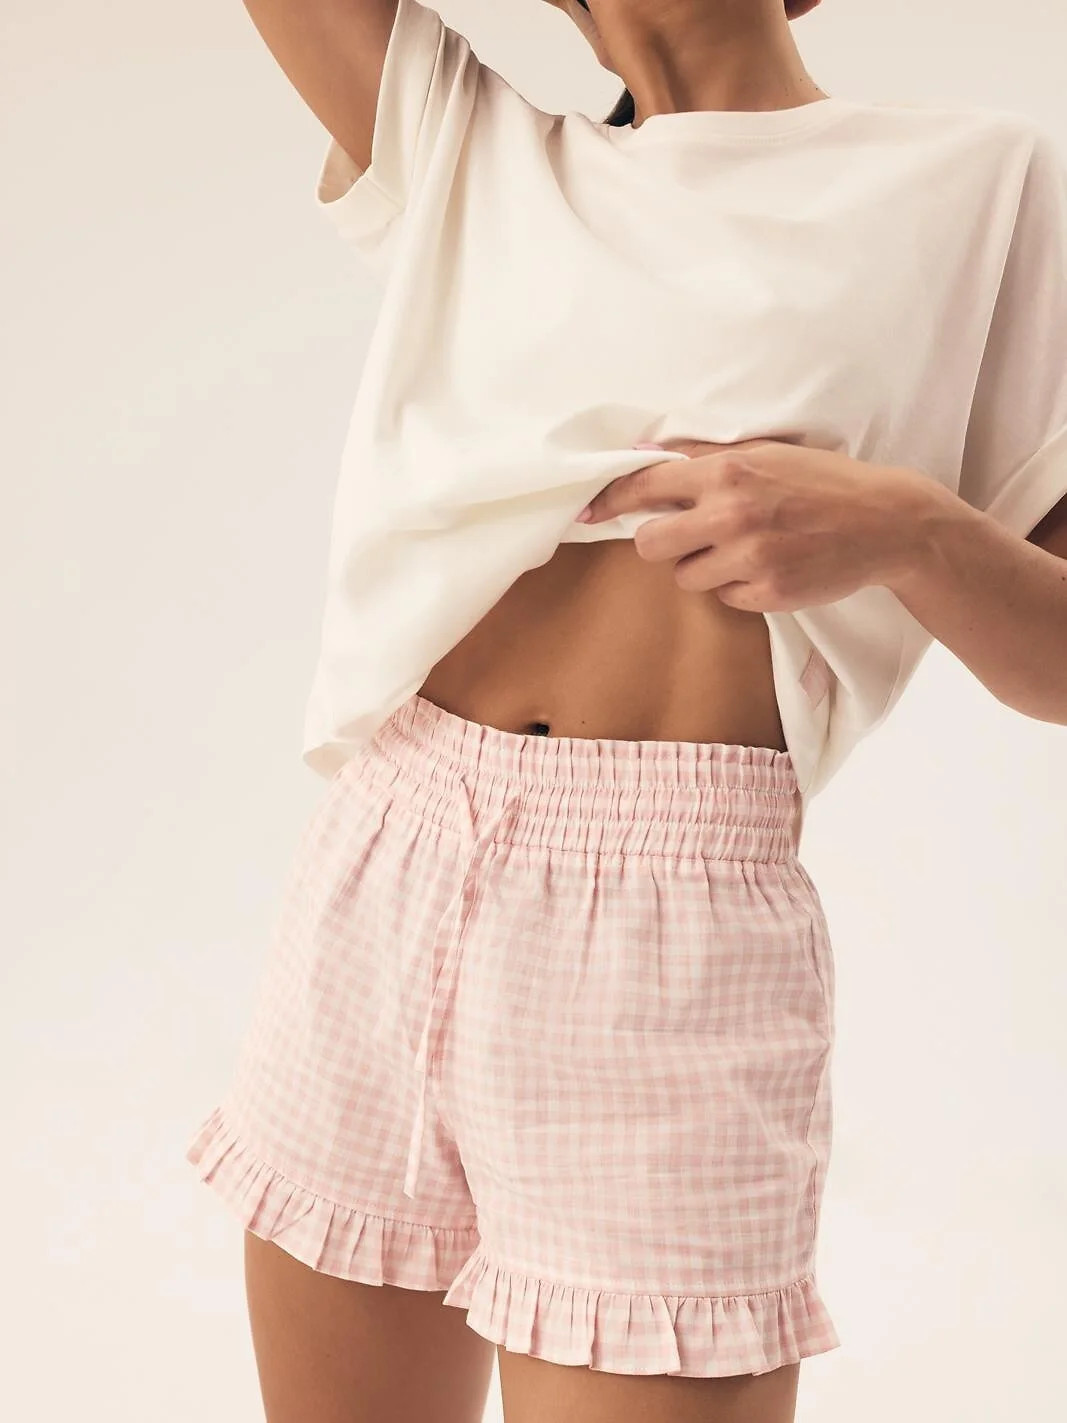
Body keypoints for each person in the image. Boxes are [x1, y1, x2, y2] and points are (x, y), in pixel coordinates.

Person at [185, 2, 1067, 1420]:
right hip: (386, 863)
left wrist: (910, 527)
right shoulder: (469, 150)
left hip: (671, 938)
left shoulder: (980, 186)